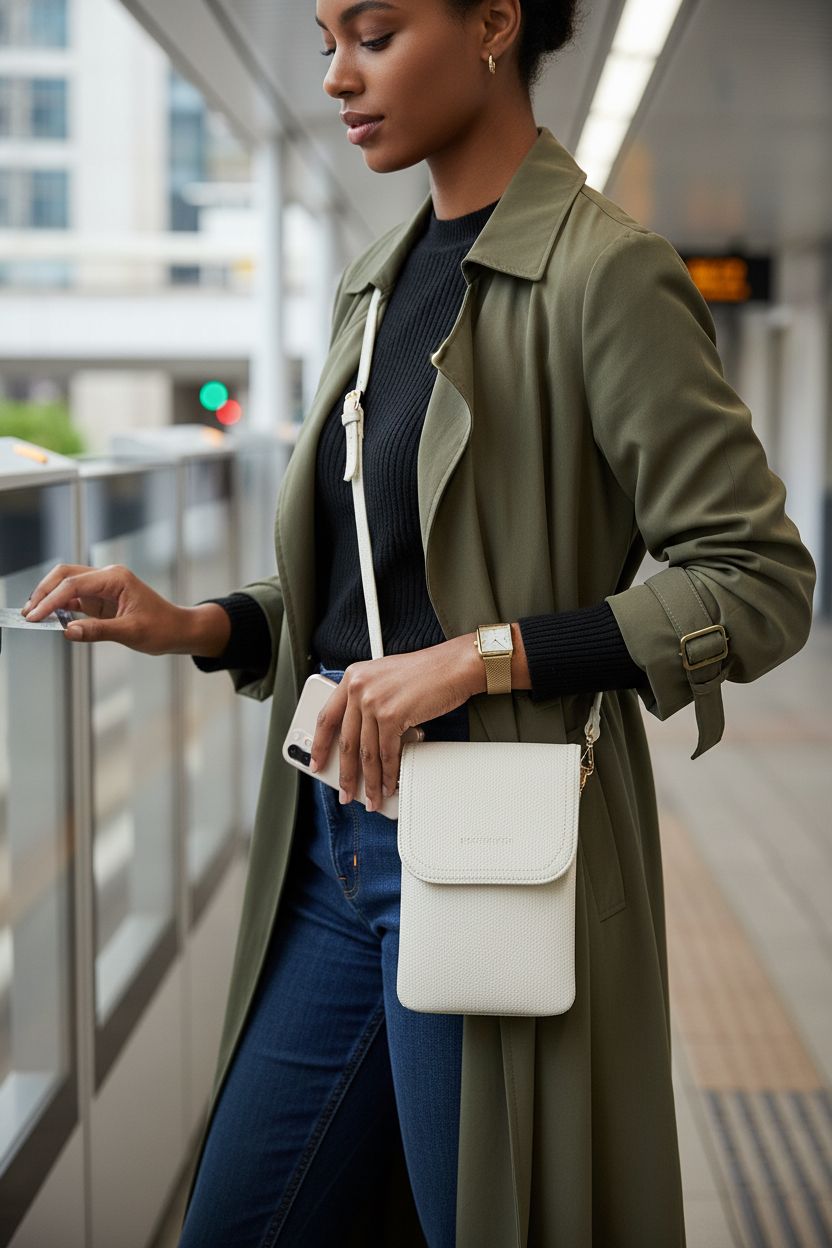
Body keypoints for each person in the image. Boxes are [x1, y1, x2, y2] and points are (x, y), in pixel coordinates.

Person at [22, 1, 815, 1244]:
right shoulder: (375, 285)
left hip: (488, 845)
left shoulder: (604, 272)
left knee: (489, 1216)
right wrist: (193, 623)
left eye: (375, 33)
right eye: (329, 34)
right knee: (241, 1219)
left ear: (495, 22)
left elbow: (758, 580)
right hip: (333, 844)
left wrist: (480, 660)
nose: (336, 75)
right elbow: (368, 600)